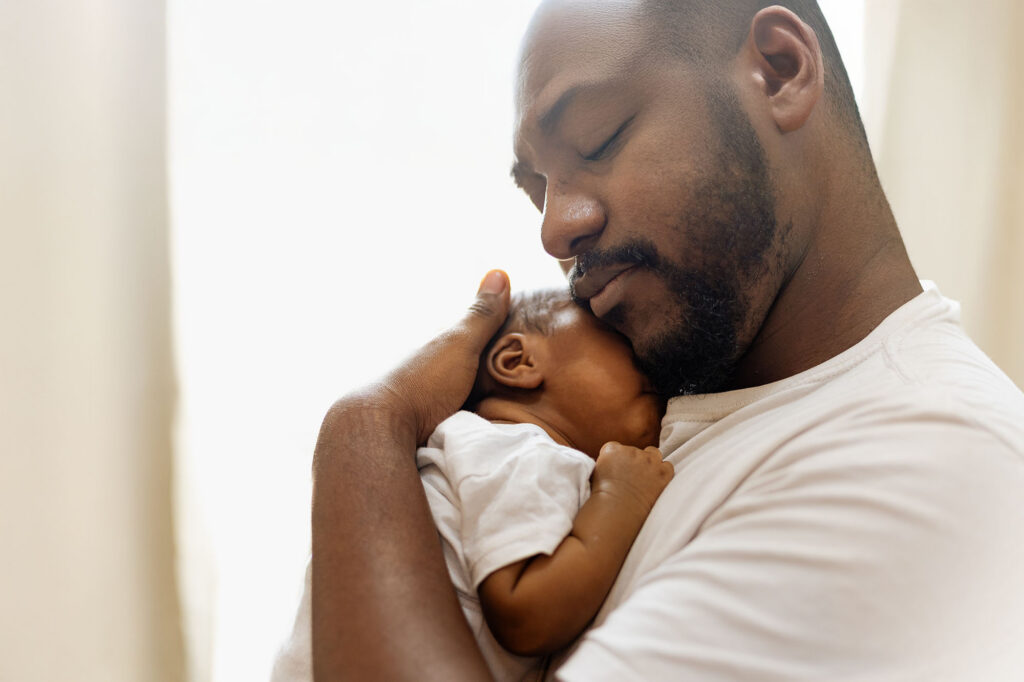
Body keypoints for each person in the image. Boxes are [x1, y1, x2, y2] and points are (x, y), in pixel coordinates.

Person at [310, 1, 1024, 680]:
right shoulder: (657, 410)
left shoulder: (918, 457)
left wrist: (367, 423)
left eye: (599, 139)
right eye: (537, 191)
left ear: (779, 70)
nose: (555, 229)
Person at [273, 289, 671, 681]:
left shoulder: (473, 450)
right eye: (622, 341)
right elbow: (527, 614)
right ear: (517, 361)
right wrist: (620, 497)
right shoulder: (518, 450)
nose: (652, 364)